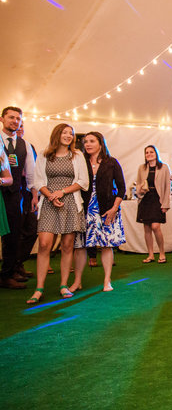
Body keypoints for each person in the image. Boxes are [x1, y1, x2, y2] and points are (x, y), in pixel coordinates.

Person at [28, 124, 89, 303]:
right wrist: (51, 196)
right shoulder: (44, 154)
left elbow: (83, 181)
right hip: (48, 202)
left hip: (70, 201)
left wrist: (62, 192)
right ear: (57, 134)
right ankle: (39, 288)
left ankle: (63, 285)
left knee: (68, 245)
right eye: (65, 132)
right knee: (45, 244)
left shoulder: (77, 156)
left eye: (71, 133)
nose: (69, 136)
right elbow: (37, 180)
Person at [70, 132, 126, 292]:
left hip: (106, 209)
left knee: (106, 245)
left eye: (92, 141)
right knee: (80, 246)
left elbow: (121, 187)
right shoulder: (80, 162)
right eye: (85, 141)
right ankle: (77, 281)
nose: (87, 144)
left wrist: (114, 208)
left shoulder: (111, 162)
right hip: (83, 208)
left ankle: (107, 280)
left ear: (101, 143)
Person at [1, 106, 37, 289]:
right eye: (11, 117)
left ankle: (8, 273)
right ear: (2, 119)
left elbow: (31, 173)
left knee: (13, 235)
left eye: (18, 118)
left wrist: (34, 194)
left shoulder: (26, 145)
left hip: (15, 195)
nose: (15, 121)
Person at [135, 145, 171, 264]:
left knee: (155, 226)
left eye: (151, 152)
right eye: (147, 152)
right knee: (146, 228)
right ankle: (150, 254)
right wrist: (140, 189)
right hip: (145, 199)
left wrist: (165, 204)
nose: (149, 154)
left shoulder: (164, 167)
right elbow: (138, 184)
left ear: (156, 153)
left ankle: (162, 253)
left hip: (158, 199)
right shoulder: (142, 168)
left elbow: (167, 187)